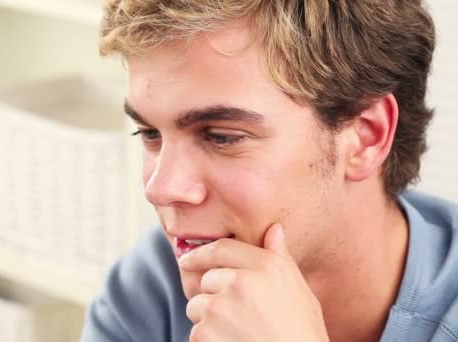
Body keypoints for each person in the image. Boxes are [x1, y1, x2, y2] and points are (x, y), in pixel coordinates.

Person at [81, 0, 458, 341]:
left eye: (222, 137)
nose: (160, 189)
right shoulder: (148, 290)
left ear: (365, 138)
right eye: (150, 133)